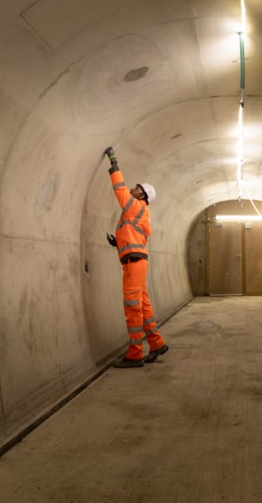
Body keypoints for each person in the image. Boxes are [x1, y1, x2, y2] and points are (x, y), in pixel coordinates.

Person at [103, 146, 169, 368]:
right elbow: (133, 238)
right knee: (144, 305)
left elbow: (119, 189)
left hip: (134, 264)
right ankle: (157, 343)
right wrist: (118, 243)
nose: (132, 188)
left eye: (137, 187)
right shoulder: (140, 212)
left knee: (133, 307)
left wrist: (114, 163)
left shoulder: (134, 207)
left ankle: (135, 354)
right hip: (137, 261)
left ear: (142, 194)